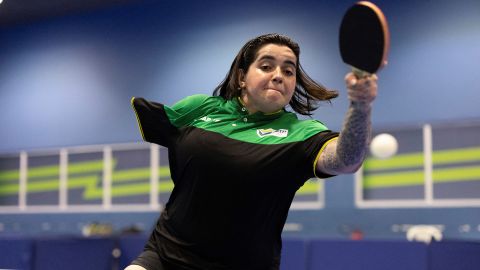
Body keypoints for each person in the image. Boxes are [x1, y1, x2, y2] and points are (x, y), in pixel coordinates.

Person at [126, 33, 377, 270]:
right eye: (267, 66)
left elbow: (347, 160)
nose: (279, 76)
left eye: (288, 71)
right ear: (242, 77)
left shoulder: (302, 134)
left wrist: (361, 104)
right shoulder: (200, 109)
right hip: (164, 257)